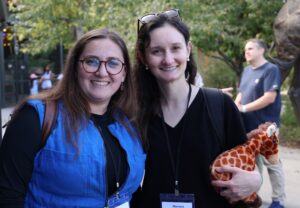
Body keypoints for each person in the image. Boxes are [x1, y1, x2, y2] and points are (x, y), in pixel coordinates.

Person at [0, 28, 145, 207]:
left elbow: (129, 190)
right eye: (91, 61)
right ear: (75, 68)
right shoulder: (35, 118)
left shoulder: (130, 123)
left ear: (123, 74)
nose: (102, 72)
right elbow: (7, 196)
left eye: (113, 63)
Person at [131, 9, 262, 208]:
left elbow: (245, 165)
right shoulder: (134, 113)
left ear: (188, 50)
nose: (168, 59)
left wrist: (256, 180)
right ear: (143, 58)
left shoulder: (219, 105)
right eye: (157, 51)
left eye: (175, 48)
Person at [235, 38, 285, 208]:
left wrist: (243, 109)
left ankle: (278, 200)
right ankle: (253, 198)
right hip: (249, 127)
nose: (246, 52)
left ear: (261, 50)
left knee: (273, 164)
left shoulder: (271, 70)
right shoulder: (246, 70)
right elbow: (241, 95)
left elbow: (269, 97)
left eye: (250, 48)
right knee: (253, 164)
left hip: (267, 127)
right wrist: (234, 109)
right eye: (245, 49)